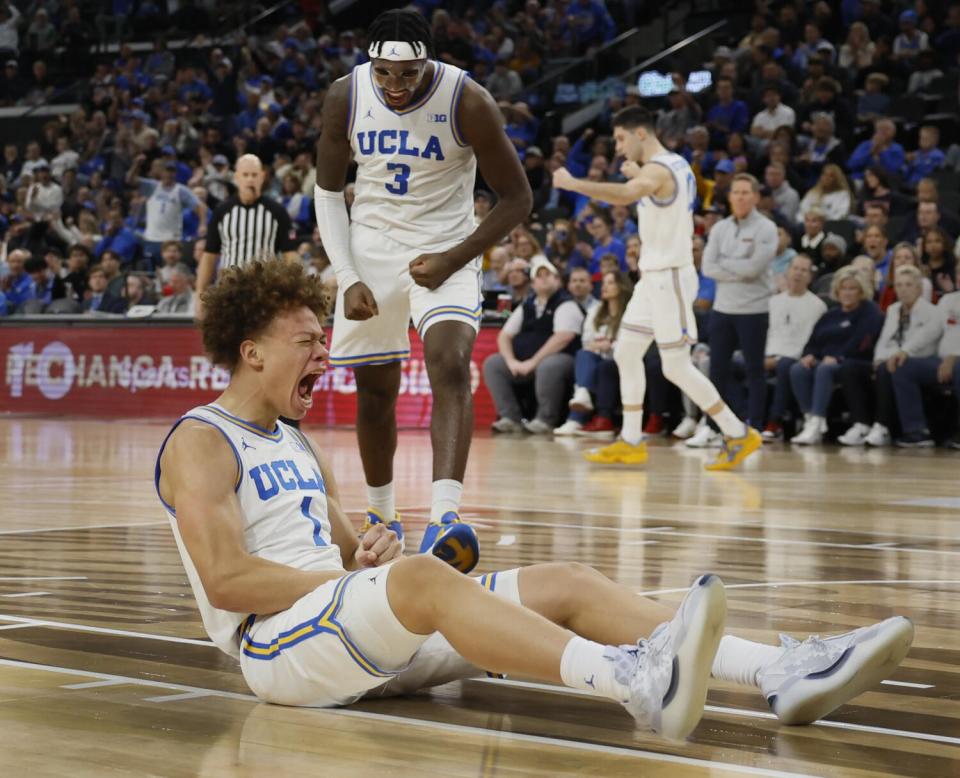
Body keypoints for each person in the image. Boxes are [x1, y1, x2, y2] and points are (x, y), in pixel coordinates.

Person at [155, 258, 913, 732]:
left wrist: (369, 555)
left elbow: (353, 553)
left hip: (345, 628)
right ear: (251, 353)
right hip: (278, 649)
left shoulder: (295, 441)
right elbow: (228, 581)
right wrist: (367, 577)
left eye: (325, 339)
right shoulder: (200, 440)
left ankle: (778, 671)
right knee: (424, 578)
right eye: (308, 342)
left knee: (566, 581)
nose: (326, 353)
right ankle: (631, 680)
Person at [313, 9, 532, 571]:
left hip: (447, 244)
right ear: (370, 63)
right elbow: (329, 193)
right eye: (384, 72)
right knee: (377, 391)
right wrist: (350, 273)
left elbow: (517, 198)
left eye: (407, 73)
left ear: (428, 61)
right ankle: (382, 514)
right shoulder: (345, 96)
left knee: (450, 361)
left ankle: (445, 516)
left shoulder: (468, 100)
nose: (395, 85)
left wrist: (455, 257)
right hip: (372, 248)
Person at [553, 107, 762, 470]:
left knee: (676, 367)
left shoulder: (658, 171)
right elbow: (649, 187)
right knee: (626, 353)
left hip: (671, 278)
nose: (618, 148)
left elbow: (628, 193)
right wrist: (638, 174)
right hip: (653, 278)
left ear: (641, 135)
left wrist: (574, 184)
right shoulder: (673, 163)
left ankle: (737, 432)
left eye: (620, 138)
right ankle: (631, 440)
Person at [700, 173, 778, 435]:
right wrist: (739, 267)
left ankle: (754, 426)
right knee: (717, 370)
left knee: (755, 370)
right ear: (730, 196)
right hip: (723, 309)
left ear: (755, 197)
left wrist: (727, 264)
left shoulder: (766, 228)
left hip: (754, 309)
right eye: (736, 192)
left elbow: (754, 268)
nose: (741, 197)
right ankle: (712, 426)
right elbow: (708, 267)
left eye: (746, 192)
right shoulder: (720, 228)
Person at [837, 265, 943, 447]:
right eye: (899, 285)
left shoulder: (932, 312)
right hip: (890, 359)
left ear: (919, 288)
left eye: (908, 284)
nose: (903, 289)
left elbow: (922, 344)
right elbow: (884, 339)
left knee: (890, 367)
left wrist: (893, 357)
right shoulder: (894, 310)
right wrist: (878, 359)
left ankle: (882, 426)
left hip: (915, 361)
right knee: (850, 367)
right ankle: (860, 424)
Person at [483, 257, 584, 433]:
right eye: (539, 275)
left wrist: (533, 362)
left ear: (557, 280)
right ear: (533, 283)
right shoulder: (527, 305)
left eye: (548, 275)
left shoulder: (566, 303)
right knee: (494, 363)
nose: (543, 278)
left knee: (549, 366)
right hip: (525, 361)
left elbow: (563, 337)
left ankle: (545, 419)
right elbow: (504, 336)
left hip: (564, 361)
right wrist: (512, 361)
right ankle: (510, 417)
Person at [790, 267, 884, 445]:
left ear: (861, 291)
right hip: (826, 361)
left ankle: (818, 420)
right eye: (844, 288)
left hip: (856, 362)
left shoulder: (869, 312)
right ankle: (810, 418)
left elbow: (863, 342)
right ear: (837, 291)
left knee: (825, 369)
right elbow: (813, 341)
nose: (847, 293)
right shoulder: (830, 315)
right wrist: (809, 355)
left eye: (852, 288)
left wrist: (839, 357)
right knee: (798, 369)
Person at [197, 154, 299, 317]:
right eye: (245, 175)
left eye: (254, 175)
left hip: (266, 292)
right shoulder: (222, 211)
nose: (250, 180)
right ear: (236, 177)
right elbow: (209, 256)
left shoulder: (277, 212)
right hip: (229, 291)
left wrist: (295, 291)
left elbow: (290, 254)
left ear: (262, 177)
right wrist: (200, 294)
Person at [555, 269, 632, 438]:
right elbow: (587, 341)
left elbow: (630, 341)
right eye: (604, 283)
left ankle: (585, 414)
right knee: (583, 354)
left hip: (622, 360)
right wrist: (601, 345)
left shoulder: (631, 312)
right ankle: (578, 409)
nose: (605, 287)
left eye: (610, 283)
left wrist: (609, 345)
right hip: (598, 358)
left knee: (604, 366)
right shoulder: (596, 310)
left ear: (622, 286)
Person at [762, 254, 827, 441]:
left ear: (810, 276)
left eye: (804, 270)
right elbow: (766, 334)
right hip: (767, 354)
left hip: (793, 357)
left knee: (785, 366)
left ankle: (774, 423)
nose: (798, 273)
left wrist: (778, 359)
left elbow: (809, 341)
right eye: (795, 268)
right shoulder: (773, 302)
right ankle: (742, 419)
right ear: (787, 271)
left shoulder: (817, 306)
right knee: (734, 363)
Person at [890, 276, 960, 448]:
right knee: (903, 366)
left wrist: (956, 355)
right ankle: (917, 431)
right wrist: (906, 350)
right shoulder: (947, 300)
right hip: (941, 361)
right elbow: (932, 328)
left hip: (956, 362)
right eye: (959, 272)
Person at [127, 154, 207, 268]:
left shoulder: (181, 190)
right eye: (167, 171)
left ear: (176, 174)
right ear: (161, 172)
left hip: (171, 240)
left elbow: (200, 206)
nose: (169, 174)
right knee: (151, 269)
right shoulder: (152, 186)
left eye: (172, 171)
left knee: (171, 271)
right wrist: (136, 165)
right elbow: (130, 180)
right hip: (151, 237)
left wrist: (202, 224)